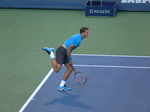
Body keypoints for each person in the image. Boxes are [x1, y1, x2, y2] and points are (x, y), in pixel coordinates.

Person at [42, 27, 89, 91]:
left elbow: (70, 49)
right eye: (86, 32)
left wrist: (69, 58)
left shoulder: (78, 36)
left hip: (65, 52)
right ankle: (51, 52)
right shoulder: (78, 40)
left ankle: (61, 86)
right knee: (56, 69)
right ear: (83, 33)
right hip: (62, 51)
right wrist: (69, 59)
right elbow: (69, 48)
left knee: (70, 69)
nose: (88, 34)